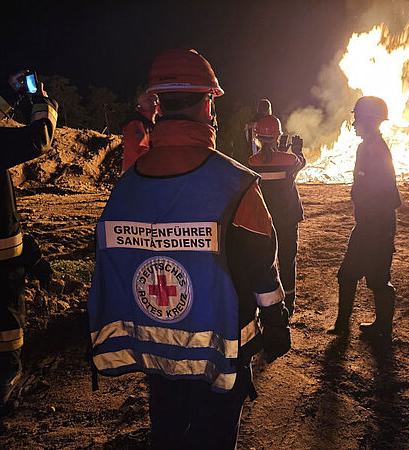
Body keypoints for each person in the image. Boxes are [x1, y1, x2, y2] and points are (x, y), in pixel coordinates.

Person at [88, 48, 291, 449]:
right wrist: (276, 321)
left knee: (167, 430)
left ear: (158, 104)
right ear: (206, 103)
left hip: (158, 351)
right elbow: (263, 270)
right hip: (221, 355)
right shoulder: (235, 183)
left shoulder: (127, 186)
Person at [0, 71, 58, 413]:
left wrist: (9, 90)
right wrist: (43, 104)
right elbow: (38, 139)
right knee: (3, 327)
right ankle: (2, 387)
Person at [328, 96, 401, 338]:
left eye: (357, 118)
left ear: (369, 121)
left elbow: (385, 192)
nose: (354, 123)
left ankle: (381, 328)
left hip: (376, 226)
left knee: (378, 278)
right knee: (348, 275)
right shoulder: (369, 146)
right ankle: (343, 325)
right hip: (369, 225)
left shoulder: (375, 148)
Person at [248, 114, 305, 317]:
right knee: (287, 261)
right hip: (288, 221)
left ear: (257, 137)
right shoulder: (289, 160)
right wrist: (296, 150)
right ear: (278, 137)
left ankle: (268, 305)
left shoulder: (251, 162)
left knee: (265, 262)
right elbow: (300, 163)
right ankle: (289, 305)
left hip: (264, 221)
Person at [121, 92, 159, 172]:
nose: (154, 103)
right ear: (141, 103)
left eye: (155, 100)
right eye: (149, 100)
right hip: (137, 173)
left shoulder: (152, 123)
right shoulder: (136, 123)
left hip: (143, 172)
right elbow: (140, 150)